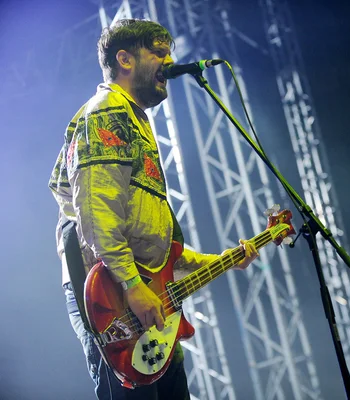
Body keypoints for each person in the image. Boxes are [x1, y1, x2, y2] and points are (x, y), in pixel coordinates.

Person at [48, 18, 258, 400]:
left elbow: (153, 246)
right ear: (124, 59)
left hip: (136, 289)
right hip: (112, 297)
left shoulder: (134, 118)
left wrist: (220, 260)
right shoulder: (107, 113)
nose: (170, 61)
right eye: (159, 53)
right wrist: (131, 285)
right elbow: (96, 215)